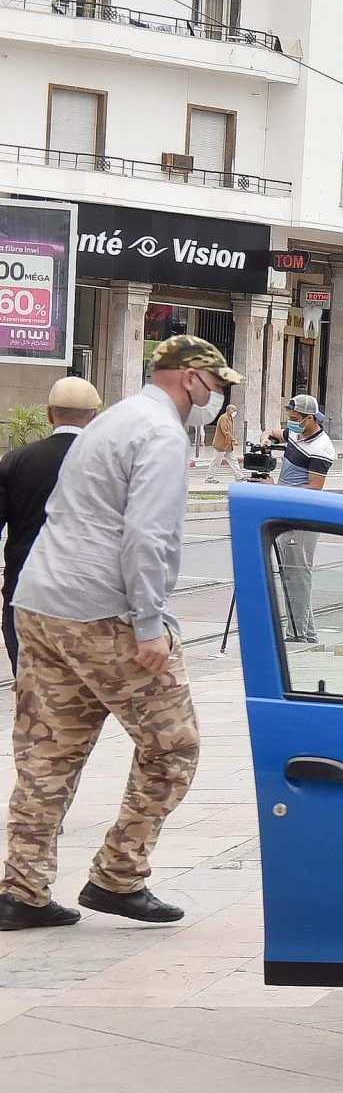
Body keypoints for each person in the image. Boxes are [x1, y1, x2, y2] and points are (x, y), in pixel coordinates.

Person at [1, 338, 233, 932]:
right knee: (173, 747)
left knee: (46, 754)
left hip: (41, 602)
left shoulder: (115, 418)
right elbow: (146, 536)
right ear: (190, 380)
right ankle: (118, 875)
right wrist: (150, 624)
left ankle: (22, 890)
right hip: (105, 614)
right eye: (218, 385)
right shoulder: (160, 434)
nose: (220, 397)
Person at [1, 376, 101, 674]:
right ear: (95, 417)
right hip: (90, 600)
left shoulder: (17, 460)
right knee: (77, 707)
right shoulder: (110, 463)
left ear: (48, 414)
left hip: (26, 595)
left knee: (34, 697)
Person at [267, 396, 336, 645]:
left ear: (310, 419)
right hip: (287, 514)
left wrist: (274, 488)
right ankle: (306, 635)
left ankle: (297, 636)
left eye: (295, 420)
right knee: (291, 576)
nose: (291, 424)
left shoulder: (321, 448)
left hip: (303, 520)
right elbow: (277, 432)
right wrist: (268, 437)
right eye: (290, 419)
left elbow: (313, 489)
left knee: (297, 576)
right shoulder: (297, 434)